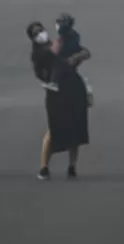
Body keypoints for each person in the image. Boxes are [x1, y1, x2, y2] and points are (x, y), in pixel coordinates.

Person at [27, 19, 91, 180]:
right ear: (32, 38)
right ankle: (44, 167)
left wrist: (77, 55)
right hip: (55, 93)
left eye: (41, 30)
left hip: (73, 88)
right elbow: (48, 64)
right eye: (36, 33)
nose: (40, 34)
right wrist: (65, 56)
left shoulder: (60, 43)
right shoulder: (38, 54)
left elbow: (85, 52)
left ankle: (72, 166)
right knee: (53, 128)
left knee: (76, 127)